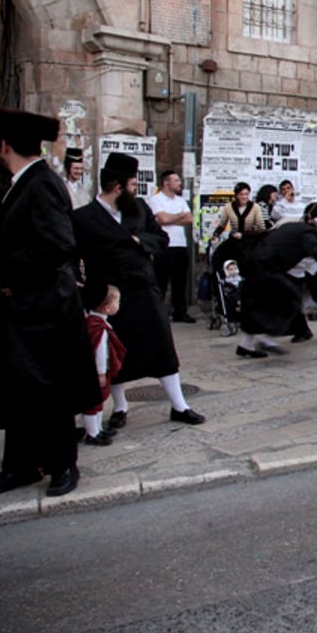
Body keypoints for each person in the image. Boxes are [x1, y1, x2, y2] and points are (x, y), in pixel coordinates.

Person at [0, 110, 100, 498]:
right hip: (27, 309)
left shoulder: (41, 182)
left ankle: (63, 465)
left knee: (50, 390)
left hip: (45, 310)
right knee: (22, 390)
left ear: (5, 144)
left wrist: (7, 270)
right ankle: (21, 465)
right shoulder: (22, 182)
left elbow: (57, 244)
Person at [71, 152, 206, 429]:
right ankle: (120, 407)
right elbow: (75, 256)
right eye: (132, 184)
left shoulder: (139, 209)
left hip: (144, 290)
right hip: (110, 296)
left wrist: (137, 240)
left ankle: (179, 405)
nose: (136, 190)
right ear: (118, 186)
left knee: (162, 348)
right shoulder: (84, 218)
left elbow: (160, 237)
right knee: (114, 353)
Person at [239, 201, 317, 358]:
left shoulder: (293, 226)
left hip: (254, 267)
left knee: (258, 306)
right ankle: (267, 338)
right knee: (290, 298)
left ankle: (245, 345)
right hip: (267, 270)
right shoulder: (308, 233)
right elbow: (316, 250)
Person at [147, 170, 196, 324]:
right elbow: (161, 218)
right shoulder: (156, 200)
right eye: (176, 180)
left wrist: (170, 219)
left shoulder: (180, 200)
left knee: (180, 281)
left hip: (181, 244)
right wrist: (177, 216)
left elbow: (189, 218)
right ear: (166, 183)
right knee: (161, 281)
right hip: (164, 245)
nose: (179, 183)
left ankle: (180, 312)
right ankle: (158, 312)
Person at [81, 281, 123, 446]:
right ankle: (93, 433)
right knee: (94, 402)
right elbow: (99, 352)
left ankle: (97, 429)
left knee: (98, 401)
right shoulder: (98, 327)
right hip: (97, 372)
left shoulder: (92, 322)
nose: (119, 305)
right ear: (106, 307)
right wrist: (100, 372)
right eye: (117, 302)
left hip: (97, 371)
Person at [212, 181, 267, 268]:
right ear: (236, 195)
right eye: (241, 194)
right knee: (220, 256)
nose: (244, 197)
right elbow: (222, 225)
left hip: (250, 241)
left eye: (246, 194)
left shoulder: (255, 207)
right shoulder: (228, 207)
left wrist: (243, 235)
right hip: (234, 241)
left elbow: (261, 229)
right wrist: (215, 235)